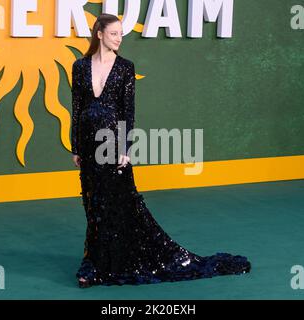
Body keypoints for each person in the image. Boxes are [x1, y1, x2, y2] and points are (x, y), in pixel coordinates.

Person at [71, 13, 251, 288]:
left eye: (121, 34)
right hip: (87, 144)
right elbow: (76, 108)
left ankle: (106, 264)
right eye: (114, 33)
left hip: (112, 145)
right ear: (100, 34)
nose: (119, 38)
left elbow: (127, 112)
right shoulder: (80, 66)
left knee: (119, 206)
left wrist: (125, 148)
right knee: (93, 205)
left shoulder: (125, 68)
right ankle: (96, 260)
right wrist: (75, 148)